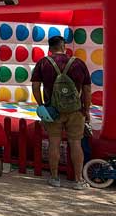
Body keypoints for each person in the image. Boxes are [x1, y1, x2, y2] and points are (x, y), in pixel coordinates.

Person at [31, 35, 92, 190]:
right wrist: (87, 109)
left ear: (50, 48)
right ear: (64, 47)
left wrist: (42, 105)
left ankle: (54, 177)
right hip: (75, 110)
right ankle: (78, 180)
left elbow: (36, 87)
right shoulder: (78, 63)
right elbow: (87, 89)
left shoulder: (43, 63)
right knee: (76, 143)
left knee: (54, 143)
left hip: (53, 110)